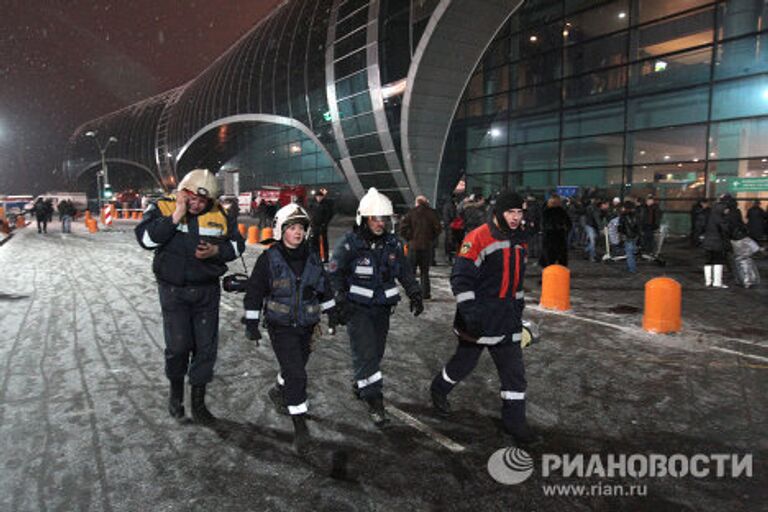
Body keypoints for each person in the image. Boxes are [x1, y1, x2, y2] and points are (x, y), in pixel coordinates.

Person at [135, 169, 245, 423]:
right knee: (178, 347)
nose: (197, 204)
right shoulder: (161, 207)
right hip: (174, 292)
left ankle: (199, 404)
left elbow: (238, 245)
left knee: (206, 349)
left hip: (207, 292)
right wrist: (176, 216)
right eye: (192, 198)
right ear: (183, 193)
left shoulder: (221, 214)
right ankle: (176, 397)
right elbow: (146, 239)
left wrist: (217, 250)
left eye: (203, 201)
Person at [429, 191, 538, 446]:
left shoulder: (519, 241)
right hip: (478, 320)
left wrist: (518, 310)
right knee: (463, 364)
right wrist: (470, 314)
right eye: (511, 212)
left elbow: (515, 283)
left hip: (507, 320)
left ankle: (515, 425)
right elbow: (461, 279)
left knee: (514, 375)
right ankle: (439, 388)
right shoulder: (478, 237)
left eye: (519, 213)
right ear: (499, 212)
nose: (515, 218)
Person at [243, 203, 338, 454]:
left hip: (307, 325)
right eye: (292, 227)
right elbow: (254, 292)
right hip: (281, 326)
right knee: (297, 374)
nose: (298, 232)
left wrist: (332, 311)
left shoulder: (313, 257)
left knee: (295, 367)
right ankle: (301, 429)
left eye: (301, 228)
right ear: (280, 230)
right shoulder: (269, 258)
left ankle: (278, 390)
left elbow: (324, 287)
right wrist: (251, 322)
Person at [328, 188, 423, 427]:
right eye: (375, 218)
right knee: (367, 352)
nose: (380, 223)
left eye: (384, 218)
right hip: (356, 309)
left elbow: (404, 271)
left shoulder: (392, 244)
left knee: (375, 353)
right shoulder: (349, 244)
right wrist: (339, 298)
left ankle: (362, 382)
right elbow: (334, 273)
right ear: (364, 219)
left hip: (381, 310)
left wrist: (414, 293)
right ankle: (374, 400)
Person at [400, 195, 442, 299]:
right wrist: (431, 238)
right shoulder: (432, 213)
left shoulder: (411, 213)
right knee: (424, 272)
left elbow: (402, 229)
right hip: (426, 247)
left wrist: (409, 238)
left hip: (413, 246)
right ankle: (425, 293)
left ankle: (412, 292)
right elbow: (438, 228)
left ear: (417, 203)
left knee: (411, 271)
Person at [701, 194, 732, 288]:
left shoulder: (710, 213)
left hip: (707, 240)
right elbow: (725, 229)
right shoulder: (721, 216)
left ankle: (708, 281)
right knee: (718, 261)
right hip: (717, 241)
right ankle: (717, 282)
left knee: (708, 261)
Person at [539, 195, 571, 267]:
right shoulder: (562, 211)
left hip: (548, 236)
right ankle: (562, 272)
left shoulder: (545, 212)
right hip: (560, 236)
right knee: (562, 257)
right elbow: (569, 224)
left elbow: (542, 224)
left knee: (549, 256)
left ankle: (549, 271)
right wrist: (565, 231)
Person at [307, 188, 334, 262]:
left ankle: (326, 258)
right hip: (314, 226)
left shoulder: (326, 205)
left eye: (320, 197)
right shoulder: (312, 204)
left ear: (322, 197)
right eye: (317, 197)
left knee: (324, 242)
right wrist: (311, 223)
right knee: (314, 242)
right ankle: (316, 257)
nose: (318, 198)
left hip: (322, 226)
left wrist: (324, 224)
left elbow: (329, 215)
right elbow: (310, 214)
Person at [618, 200, 640, 273]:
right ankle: (632, 267)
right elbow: (639, 226)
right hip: (635, 236)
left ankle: (632, 269)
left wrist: (621, 235)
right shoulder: (637, 215)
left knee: (629, 253)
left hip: (628, 236)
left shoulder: (623, 216)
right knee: (632, 252)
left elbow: (621, 227)